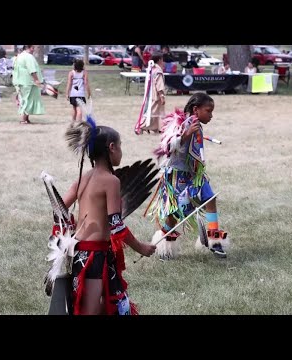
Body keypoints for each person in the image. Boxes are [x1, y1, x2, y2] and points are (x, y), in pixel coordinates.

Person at [59, 119, 156, 315]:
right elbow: (116, 225)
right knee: (94, 310)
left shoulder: (83, 177)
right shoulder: (111, 181)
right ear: (111, 148)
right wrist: (141, 248)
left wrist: (72, 228)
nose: (121, 151)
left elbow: (59, 209)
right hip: (95, 258)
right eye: (120, 146)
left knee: (99, 307)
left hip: (81, 254)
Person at [147, 93, 230, 259]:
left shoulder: (198, 125)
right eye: (208, 111)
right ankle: (165, 247)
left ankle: (215, 241)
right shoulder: (178, 123)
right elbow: (167, 146)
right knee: (174, 214)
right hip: (177, 176)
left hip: (195, 175)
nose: (211, 115)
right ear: (196, 109)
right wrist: (185, 135)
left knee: (210, 199)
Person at [12, 45, 45, 124]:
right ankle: (23, 119)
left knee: (27, 99)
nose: (34, 50)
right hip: (27, 81)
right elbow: (32, 69)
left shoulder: (19, 56)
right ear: (30, 48)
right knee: (26, 100)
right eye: (33, 48)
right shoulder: (28, 57)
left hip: (21, 81)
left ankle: (26, 118)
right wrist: (36, 80)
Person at [136, 52, 166, 134]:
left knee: (156, 112)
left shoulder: (152, 69)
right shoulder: (158, 71)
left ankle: (157, 128)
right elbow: (159, 85)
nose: (163, 61)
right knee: (153, 112)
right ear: (159, 60)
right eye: (162, 60)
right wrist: (162, 96)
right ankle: (142, 126)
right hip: (156, 95)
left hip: (151, 94)